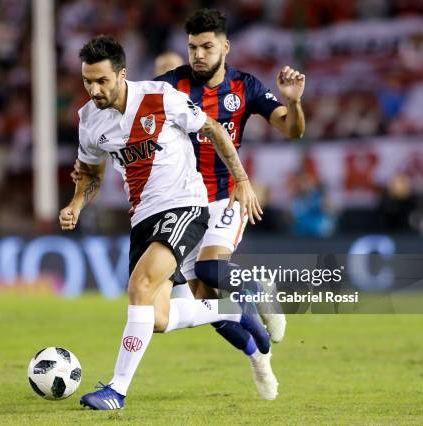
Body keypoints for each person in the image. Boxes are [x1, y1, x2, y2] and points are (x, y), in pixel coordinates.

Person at [60, 35, 271, 410]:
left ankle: (116, 391)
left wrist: (240, 179)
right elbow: (90, 173)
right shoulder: (89, 121)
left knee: (140, 287)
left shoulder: (159, 97)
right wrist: (76, 204)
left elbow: (214, 129)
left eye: (102, 81)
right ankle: (231, 309)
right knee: (156, 317)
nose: (94, 90)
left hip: (184, 206)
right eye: (87, 81)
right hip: (142, 218)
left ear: (121, 75)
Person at [154, 8, 306, 399]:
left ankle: (257, 286)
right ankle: (258, 357)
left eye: (207, 46)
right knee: (202, 303)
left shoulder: (247, 86)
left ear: (225, 46)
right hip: (184, 204)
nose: (199, 55)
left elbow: (292, 129)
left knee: (210, 266)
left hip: (226, 195)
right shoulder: (173, 85)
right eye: (192, 48)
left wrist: (294, 102)